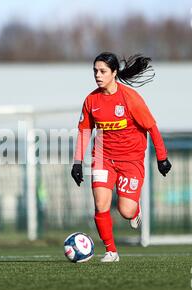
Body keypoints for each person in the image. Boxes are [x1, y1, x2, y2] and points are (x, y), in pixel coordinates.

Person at [71, 52, 172, 262]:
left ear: (114, 73)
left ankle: (135, 212)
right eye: (95, 71)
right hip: (102, 158)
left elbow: (152, 127)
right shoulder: (91, 100)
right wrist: (77, 162)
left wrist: (162, 157)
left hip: (131, 160)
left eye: (102, 71)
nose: (97, 75)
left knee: (125, 211)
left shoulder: (130, 98)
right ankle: (111, 252)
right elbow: (84, 132)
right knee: (101, 205)